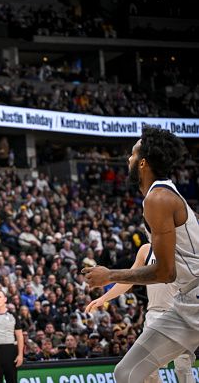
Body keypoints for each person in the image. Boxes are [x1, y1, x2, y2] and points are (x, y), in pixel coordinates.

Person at [83, 127, 199, 383]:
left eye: (132, 154)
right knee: (126, 373)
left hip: (194, 298)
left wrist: (109, 274)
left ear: (143, 162)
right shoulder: (157, 196)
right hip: (184, 303)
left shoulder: (159, 198)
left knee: (180, 372)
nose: (128, 159)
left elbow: (165, 272)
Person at [86, 242, 195, 382]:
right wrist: (104, 298)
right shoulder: (146, 250)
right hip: (155, 313)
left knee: (183, 366)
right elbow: (128, 280)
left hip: (179, 312)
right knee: (148, 371)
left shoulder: (182, 247)